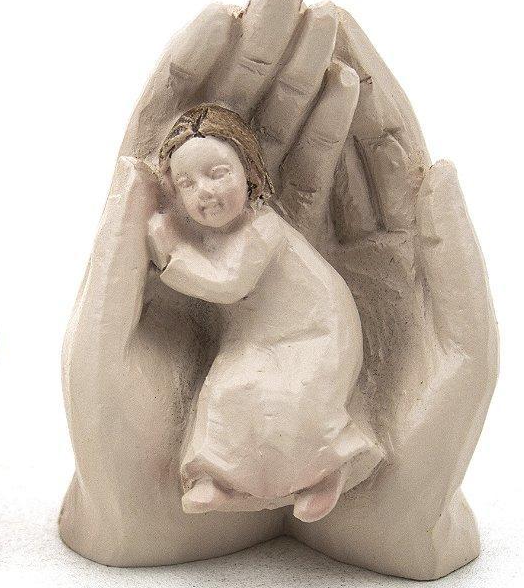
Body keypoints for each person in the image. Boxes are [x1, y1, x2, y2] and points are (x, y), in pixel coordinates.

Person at [147, 104, 383, 523]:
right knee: (227, 390)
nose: (204, 191)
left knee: (297, 399)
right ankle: (216, 476)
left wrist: (172, 256)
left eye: (217, 173)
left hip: (316, 334)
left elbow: (228, 284)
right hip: (261, 338)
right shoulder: (217, 234)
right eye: (186, 183)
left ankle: (326, 474)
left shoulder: (263, 227)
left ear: (250, 172)